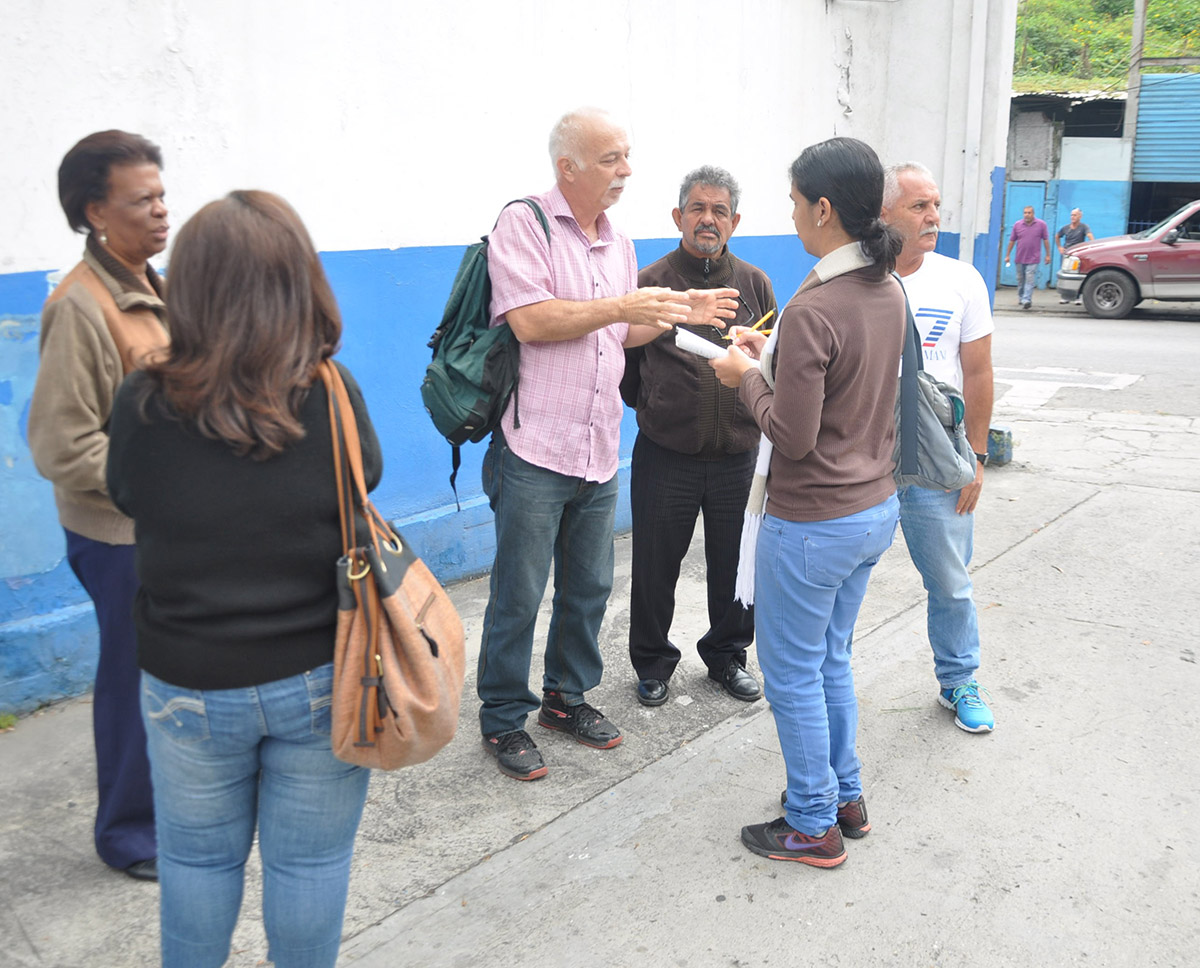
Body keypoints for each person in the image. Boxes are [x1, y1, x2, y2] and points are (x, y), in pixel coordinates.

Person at [106, 191, 381, 968]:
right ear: (300, 281)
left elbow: (125, 495)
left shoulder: (145, 399)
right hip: (320, 676)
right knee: (310, 865)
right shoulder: (330, 390)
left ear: (189, 288)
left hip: (186, 678)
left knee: (195, 863)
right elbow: (370, 478)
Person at [477, 107, 739, 781]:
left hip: (596, 446)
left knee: (589, 587)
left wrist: (682, 313)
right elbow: (532, 321)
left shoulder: (616, 241)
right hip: (535, 447)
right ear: (568, 168)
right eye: (611, 160)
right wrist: (623, 307)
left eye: (626, 157)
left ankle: (565, 698)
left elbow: (622, 333)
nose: (626, 170)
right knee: (519, 591)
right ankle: (504, 717)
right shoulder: (524, 223)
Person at [712, 138, 906, 867]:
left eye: (795, 203)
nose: (792, 216)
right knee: (829, 660)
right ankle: (844, 795)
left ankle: (812, 824)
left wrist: (742, 378)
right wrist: (764, 360)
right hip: (869, 510)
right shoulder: (887, 290)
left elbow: (791, 434)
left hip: (812, 521)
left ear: (823, 209)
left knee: (791, 672)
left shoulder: (814, 305)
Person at [27, 129, 168, 881]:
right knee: (131, 679)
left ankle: (165, 809)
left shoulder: (152, 284)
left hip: (162, 523)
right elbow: (59, 443)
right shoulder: (80, 307)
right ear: (94, 211)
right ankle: (128, 832)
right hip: (117, 532)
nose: (159, 211)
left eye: (161, 195)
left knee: (168, 674)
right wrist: (160, 481)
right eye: (140, 200)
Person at [620, 166, 775, 707]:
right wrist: (662, 411)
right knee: (655, 563)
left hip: (739, 457)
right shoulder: (649, 282)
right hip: (667, 455)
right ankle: (653, 662)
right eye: (697, 209)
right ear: (677, 216)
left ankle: (728, 657)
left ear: (735, 221)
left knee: (736, 565)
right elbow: (627, 369)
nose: (708, 220)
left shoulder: (755, 283)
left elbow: (768, 359)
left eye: (719, 211)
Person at [881, 161, 996, 733]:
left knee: (951, 582)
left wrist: (975, 456)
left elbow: (978, 373)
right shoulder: (857, 278)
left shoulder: (961, 280)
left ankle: (959, 682)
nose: (933, 217)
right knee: (841, 585)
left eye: (935, 205)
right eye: (918, 206)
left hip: (937, 463)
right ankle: (826, 689)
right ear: (884, 213)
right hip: (868, 463)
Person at [1004, 205, 1050, 309]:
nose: (1027, 215)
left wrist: (1048, 255)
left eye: (1029, 213)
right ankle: (1021, 297)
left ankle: (1026, 299)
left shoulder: (1041, 225)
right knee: (1021, 280)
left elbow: (1046, 240)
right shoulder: (1017, 225)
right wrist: (1007, 255)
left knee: (1030, 279)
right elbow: (1012, 241)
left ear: (1033, 214)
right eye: (1025, 213)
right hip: (1020, 258)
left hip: (1033, 258)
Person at [1056, 209, 1094, 305]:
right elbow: (1057, 236)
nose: (1073, 217)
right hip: (1067, 255)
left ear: (1080, 216)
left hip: (1077, 256)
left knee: (1077, 276)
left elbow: (1090, 235)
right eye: (1072, 215)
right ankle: (1065, 297)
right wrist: (1060, 247)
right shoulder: (1066, 228)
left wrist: (1092, 245)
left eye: (1075, 215)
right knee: (1066, 275)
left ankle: (1078, 297)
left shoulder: (1084, 227)